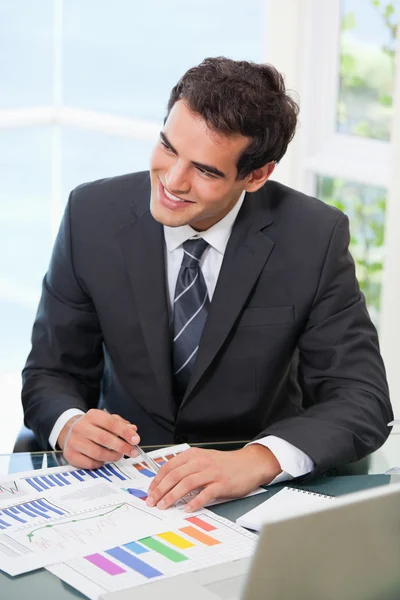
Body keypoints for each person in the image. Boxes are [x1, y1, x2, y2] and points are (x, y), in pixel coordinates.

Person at [22, 57, 392, 513]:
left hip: (252, 494)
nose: (172, 181)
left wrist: (256, 460)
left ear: (256, 175)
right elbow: (49, 373)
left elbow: (363, 399)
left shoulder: (314, 237)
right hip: (124, 486)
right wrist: (70, 425)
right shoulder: (90, 214)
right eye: (167, 147)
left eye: (206, 170)